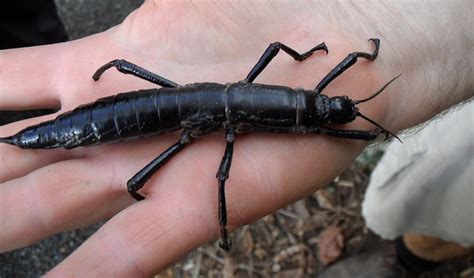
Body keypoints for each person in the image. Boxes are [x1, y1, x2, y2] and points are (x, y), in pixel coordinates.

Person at [0, 1, 471, 276]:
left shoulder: (290, 102)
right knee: (209, 175)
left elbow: (316, 85)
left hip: (161, 110)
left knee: (163, 174)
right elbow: (222, 178)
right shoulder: (292, 116)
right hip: (126, 117)